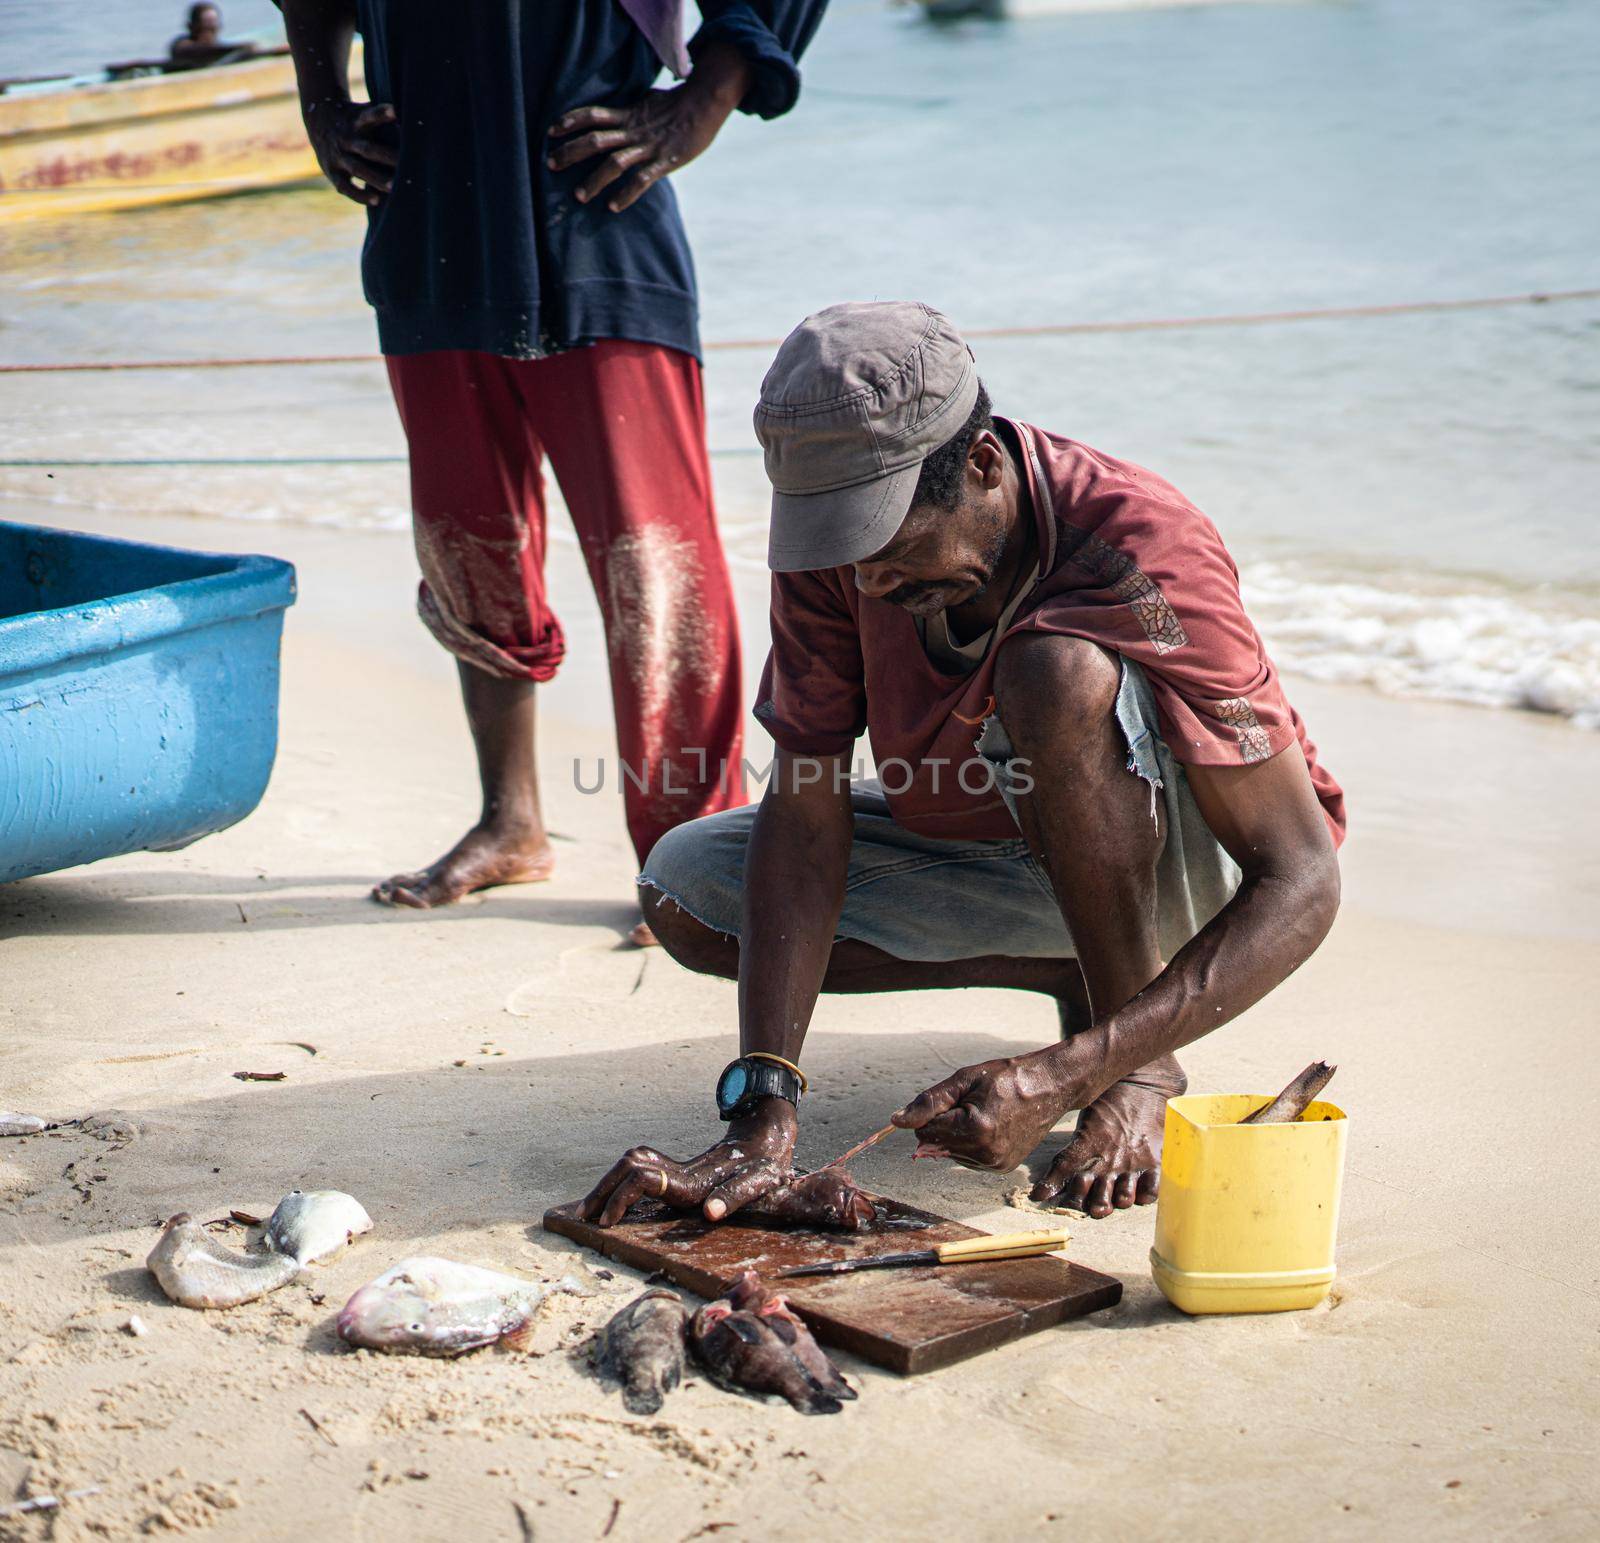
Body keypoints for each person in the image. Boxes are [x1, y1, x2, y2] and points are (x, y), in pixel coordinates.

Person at [580, 300, 1345, 1224]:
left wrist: (1086, 1067)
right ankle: (1078, 973)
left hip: (1189, 864)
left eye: (891, 545)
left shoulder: (1139, 543)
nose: (867, 583)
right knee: (688, 893)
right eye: (846, 551)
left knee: (1053, 667)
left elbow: (1303, 874)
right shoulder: (841, 546)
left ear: (983, 465)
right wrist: (762, 1109)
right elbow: (807, 803)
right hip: (1004, 842)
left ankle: (1138, 1054)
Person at [280, 2, 826, 939]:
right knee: (466, 542)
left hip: (602, 225)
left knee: (657, 568)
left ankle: (691, 855)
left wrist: (704, 99)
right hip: (428, 230)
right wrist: (322, 104)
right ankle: (510, 822)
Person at [169, 4, 255, 66]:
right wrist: (237, 47)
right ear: (191, 27)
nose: (208, 33)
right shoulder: (181, 46)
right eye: (204, 27)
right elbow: (200, 51)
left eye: (213, 28)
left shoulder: (220, 51)